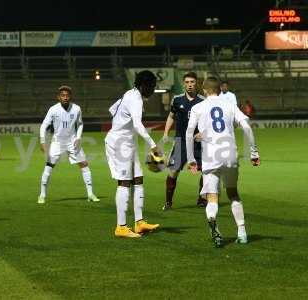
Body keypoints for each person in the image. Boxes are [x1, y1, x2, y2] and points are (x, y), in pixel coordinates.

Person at [186, 77, 260, 247]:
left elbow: (189, 133)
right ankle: (242, 233)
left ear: (204, 91)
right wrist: (254, 153)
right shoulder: (229, 104)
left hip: (211, 156)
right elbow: (247, 127)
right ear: (220, 89)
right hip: (230, 154)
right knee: (233, 193)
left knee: (212, 197)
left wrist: (191, 159)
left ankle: (213, 222)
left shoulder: (198, 107)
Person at [105, 70, 160, 238]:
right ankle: (121, 227)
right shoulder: (135, 98)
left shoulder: (129, 93)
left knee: (138, 179)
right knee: (124, 182)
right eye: (152, 87)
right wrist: (153, 145)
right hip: (120, 143)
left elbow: (112, 109)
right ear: (144, 85)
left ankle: (139, 223)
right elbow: (137, 124)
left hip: (128, 142)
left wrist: (121, 123)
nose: (153, 90)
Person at [38, 85, 100, 204]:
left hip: (72, 141)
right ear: (58, 97)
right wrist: (42, 141)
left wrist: (78, 137)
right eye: (63, 95)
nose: (65, 97)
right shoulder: (53, 109)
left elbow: (80, 123)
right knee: (49, 166)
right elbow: (44, 125)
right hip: (57, 142)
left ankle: (90, 194)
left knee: (84, 164)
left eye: (67, 95)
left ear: (70, 96)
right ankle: (42, 195)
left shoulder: (76, 108)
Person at [162, 71, 206, 210]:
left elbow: (208, 121)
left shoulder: (203, 101)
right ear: (183, 84)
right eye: (187, 82)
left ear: (196, 83)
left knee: (205, 171)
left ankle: (201, 199)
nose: (190, 85)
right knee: (173, 171)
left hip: (198, 143)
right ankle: (168, 202)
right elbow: (171, 116)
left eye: (192, 82)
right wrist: (165, 133)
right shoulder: (177, 99)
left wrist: (203, 133)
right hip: (180, 141)